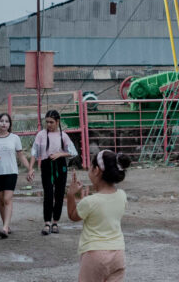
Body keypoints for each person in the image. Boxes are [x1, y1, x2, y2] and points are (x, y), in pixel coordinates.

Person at [67, 150, 131, 282]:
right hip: (118, 254)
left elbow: (73, 216)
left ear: (96, 170)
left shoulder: (90, 201)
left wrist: (71, 195)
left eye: (91, 166)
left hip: (95, 255)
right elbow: (105, 210)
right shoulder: (122, 195)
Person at [27, 109, 78, 235]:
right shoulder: (41, 135)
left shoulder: (63, 135)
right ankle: (47, 222)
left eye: (51, 122)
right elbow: (35, 152)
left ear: (57, 121)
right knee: (48, 194)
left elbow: (73, 152)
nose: (49, 125)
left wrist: (61, 153)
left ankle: (55, 221)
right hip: (46, 165)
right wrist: (30, 168)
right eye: (47, 122)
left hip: (60, 165)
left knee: (59, 194)